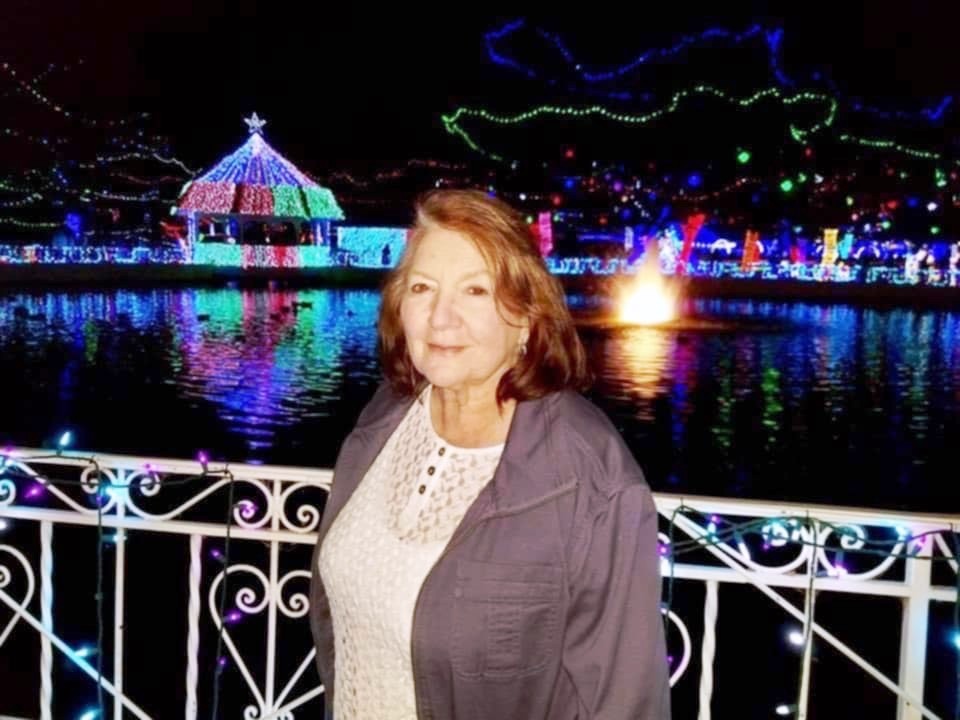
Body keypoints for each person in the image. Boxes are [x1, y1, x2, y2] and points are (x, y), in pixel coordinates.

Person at [309, 189, 671, 719]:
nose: (440, 318)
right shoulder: (386, 417)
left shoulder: (587, 476)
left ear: (525, 316)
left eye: (476, 290)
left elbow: (625, 700)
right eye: (422, 287)